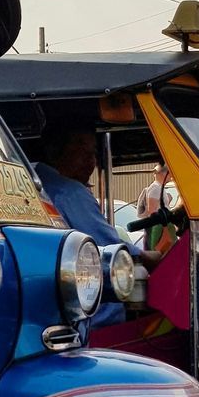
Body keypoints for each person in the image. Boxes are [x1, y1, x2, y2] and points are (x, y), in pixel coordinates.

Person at [35, 124, 159, 327]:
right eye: (81, 149)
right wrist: (149, 257)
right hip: (92, 318)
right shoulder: (69, 192)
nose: (90, 161)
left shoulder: (35, 182)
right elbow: (112, 250)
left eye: (92, 152)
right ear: (54, 150)